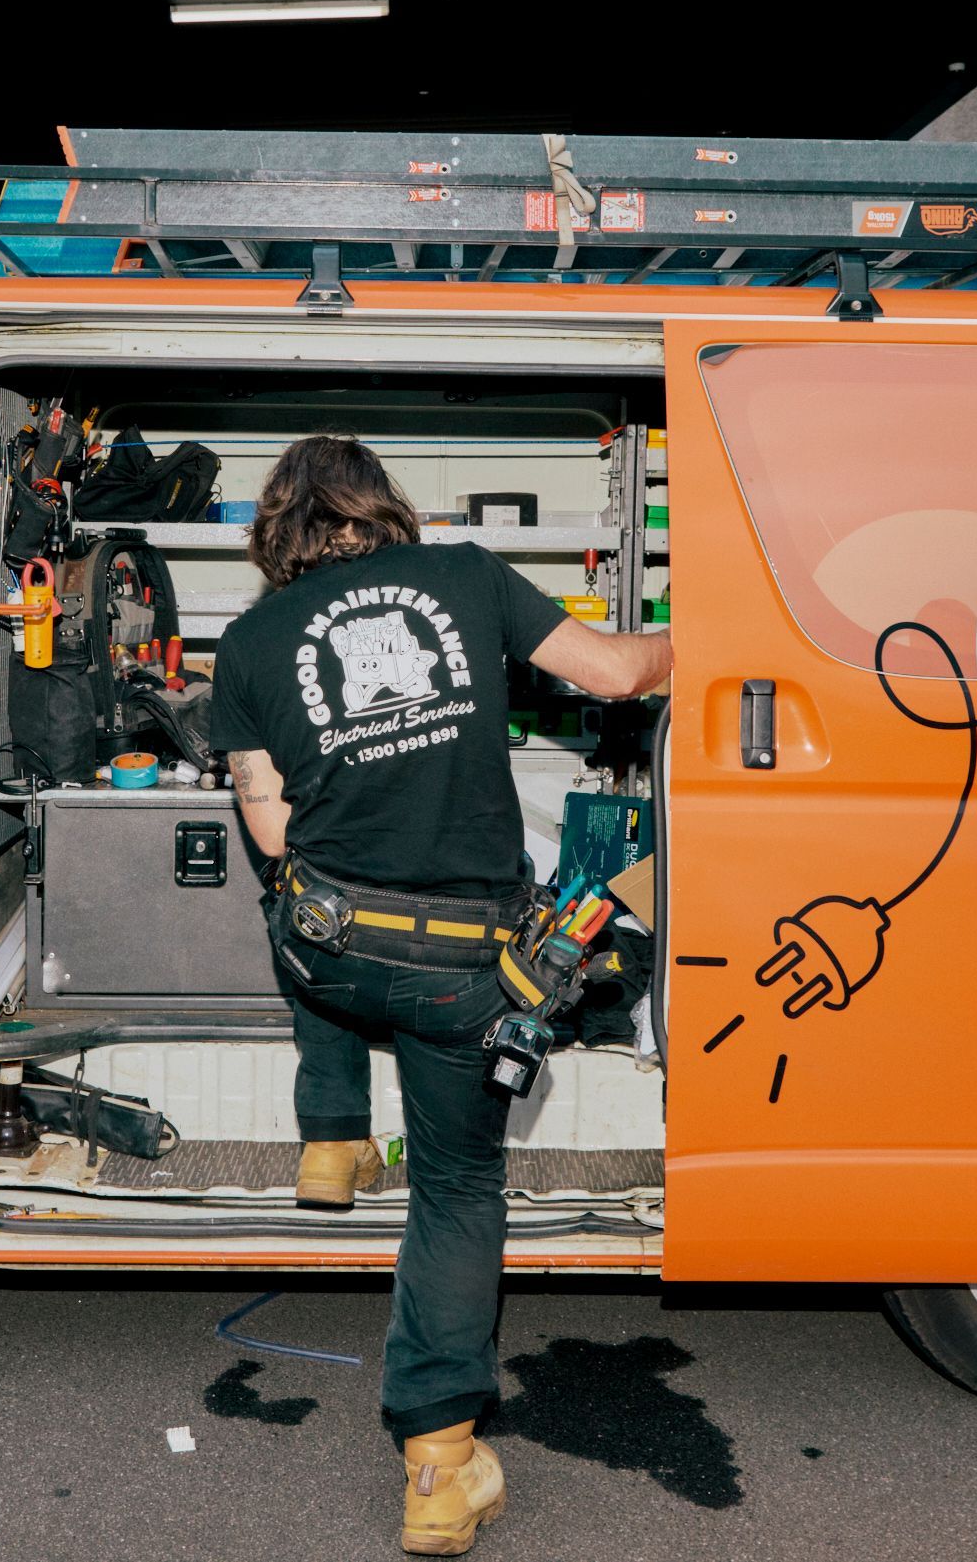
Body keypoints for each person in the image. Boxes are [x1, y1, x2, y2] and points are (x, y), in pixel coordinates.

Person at [208, 436, 670, 1557]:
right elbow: (615, 674)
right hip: (463, 967)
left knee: (299, 903)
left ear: (280, 527)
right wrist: (714, 636)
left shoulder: (252, 640)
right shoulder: (465, 577)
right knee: (459, 1191)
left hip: (334, 952)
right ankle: (440, 1469)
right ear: (384, 508)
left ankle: (330, 1139)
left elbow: (268, 826)